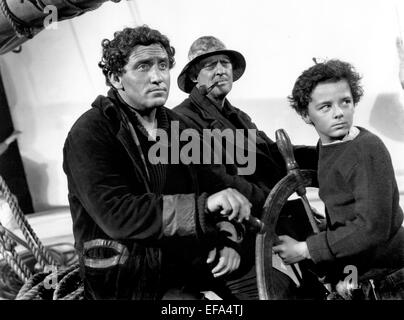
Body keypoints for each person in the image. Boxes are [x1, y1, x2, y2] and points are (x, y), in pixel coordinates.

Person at [62, 26, 255, 300]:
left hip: (184, 263)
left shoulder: (179, 126)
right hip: (124, 276)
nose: (157, 77)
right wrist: (204, 207)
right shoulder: (90, 132)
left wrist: (225, 238)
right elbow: (118, 214)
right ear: (116, 77)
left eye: (163, 65)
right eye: (143, 66)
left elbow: (212, 185)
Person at [173, 36, 322, 299]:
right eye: (210, 65)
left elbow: (273, 155)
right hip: (229, 239)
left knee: (329, 272)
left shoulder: (239, 117)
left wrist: (327, 155)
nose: (221, 70)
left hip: (268, 223)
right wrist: (270, 201)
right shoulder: (182, 120)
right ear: (195, 77)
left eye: (225, 63)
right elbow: (214, 179)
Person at [274, 59, 404, 300]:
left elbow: (370, 227)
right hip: (362, 276)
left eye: (345, 102)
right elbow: (345, 212)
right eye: (325, 106)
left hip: (392, 279)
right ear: (305, 114)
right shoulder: (330, 147)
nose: (339, 113)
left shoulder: (366, 149)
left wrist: (305, 249)